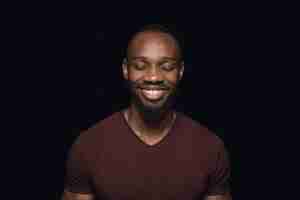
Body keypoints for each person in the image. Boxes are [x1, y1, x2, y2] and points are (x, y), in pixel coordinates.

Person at [62, 24, 232, 200]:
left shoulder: (211, 148)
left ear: (180, 71)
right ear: (126, 69)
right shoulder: (88, 146)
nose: (153, 77)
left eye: (166, 67)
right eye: (140, 65)